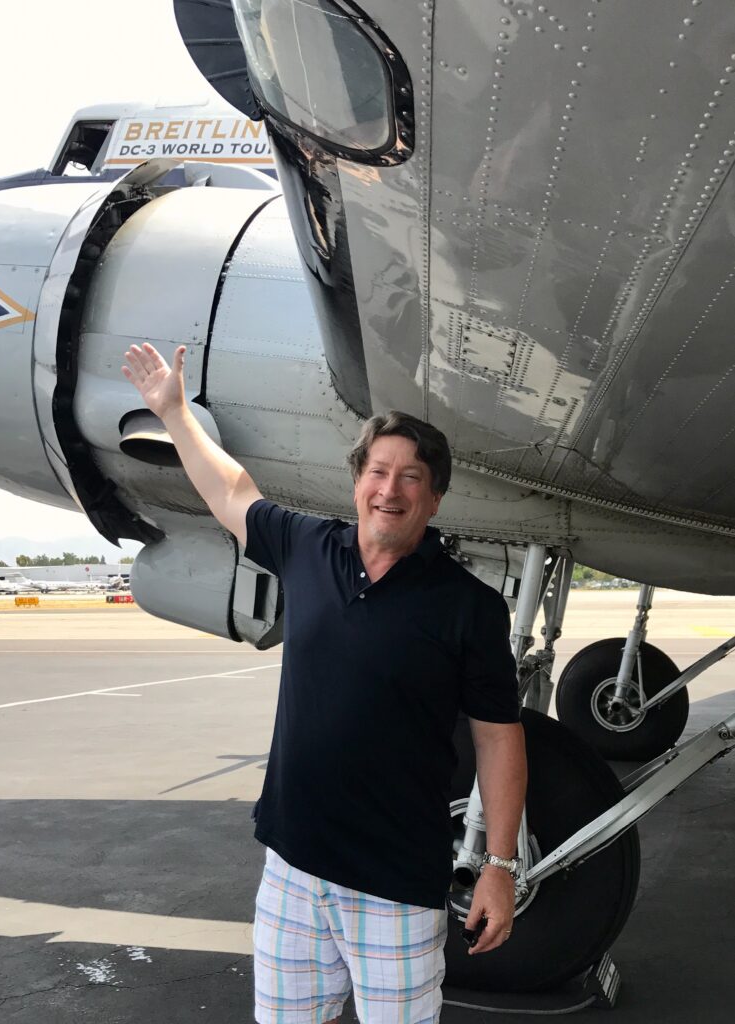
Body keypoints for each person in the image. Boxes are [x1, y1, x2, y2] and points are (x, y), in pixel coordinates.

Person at [122, 342, 527, 1024]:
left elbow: (497, 739)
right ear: (356, 480)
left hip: (395, 886)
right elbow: (229, 489)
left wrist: (499, 867)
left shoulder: (468, 606)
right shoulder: (307, 547)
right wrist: (173, 413)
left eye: (409, 478)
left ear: (433, 496)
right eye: (377, 471)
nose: (389, 490)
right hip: (293, 870)